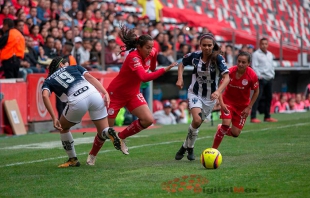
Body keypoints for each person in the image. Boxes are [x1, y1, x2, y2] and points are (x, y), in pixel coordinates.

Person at [88, 25, 177, 157]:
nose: (150, 50)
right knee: (105, 131)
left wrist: (153, 66)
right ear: (139, 47)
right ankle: (92, 155)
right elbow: (144, 77)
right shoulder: (133, 57)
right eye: (147, 47)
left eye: (151, 47)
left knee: (148, 119)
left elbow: (152, 66)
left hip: (133, 93)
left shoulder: (152, 52)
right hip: (116, 95)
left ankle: (122, 136)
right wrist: (164, 70)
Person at [41, 56, 122, 167]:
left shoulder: (48, 80)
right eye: (66, 63)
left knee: (63, 128)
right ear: (61, 65)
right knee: (103, 130)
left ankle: (72, 159)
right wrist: (105, 93)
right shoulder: (74, 67)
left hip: (77, 99)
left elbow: (45, 96)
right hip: (94, 94)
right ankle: (108, 132)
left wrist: (54, 117)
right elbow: (90, 77)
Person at [174, 33, 230, 161]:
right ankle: (191, 148)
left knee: (196, 124)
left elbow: (226, 77)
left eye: (209, 45)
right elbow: (182, 63)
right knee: (197, 120)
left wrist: (218, 91)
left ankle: (184, 147)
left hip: (210, 98)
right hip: (195, 93)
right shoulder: (195, 56)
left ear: (213, 45)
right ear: (200, 45)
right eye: (204, 45)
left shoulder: (218, 59)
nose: (207, 48)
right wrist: (180, 78)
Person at [211, 52, 259, 149]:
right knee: (226, 124)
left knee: (235, 133)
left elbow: (256, 91)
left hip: (242, 106)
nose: (240, 64)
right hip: (228, 102)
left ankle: (220, 129)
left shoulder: (252, 75)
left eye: (243, 62)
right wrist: (221, 103)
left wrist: (249, 107)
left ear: (248, 63)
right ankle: (213, 150)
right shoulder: (229, 72)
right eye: (239, 61)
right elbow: (220, 88)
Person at [250, 38, 277, 123]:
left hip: (269, 78)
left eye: (266, 44)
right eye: (262, 44)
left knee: (269, 97)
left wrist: (272, 74)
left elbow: (272, 65)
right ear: (259, 44)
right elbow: (254, 66)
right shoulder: (256, 54)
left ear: (268, 45)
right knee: (257, 97)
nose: (264, 45)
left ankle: (267, 116)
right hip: (261, 78)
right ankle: (253, 117)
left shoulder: (270, 54)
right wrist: (259, 76)